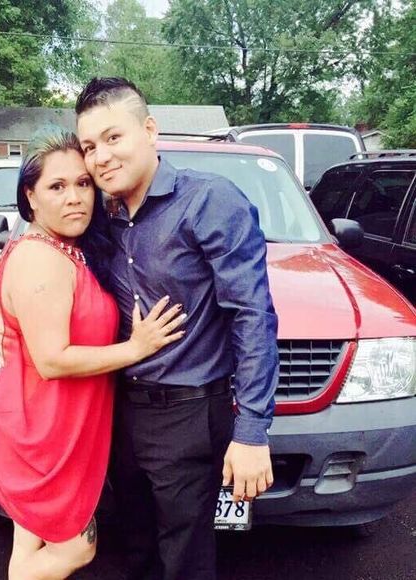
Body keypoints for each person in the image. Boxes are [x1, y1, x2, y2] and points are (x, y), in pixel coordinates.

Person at [75, 78, 280, 580]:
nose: (101, 156)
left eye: (113, 137)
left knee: (185, 558)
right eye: (89, 146)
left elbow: (252, 314)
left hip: (188, 414)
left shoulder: (209, 201)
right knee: (135, 545)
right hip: (120, 409)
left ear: (149, 130)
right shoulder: (102, 217)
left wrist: (252, 431)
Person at [0, 127, 186, 580]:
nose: (74, 198)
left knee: (28, 550)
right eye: (57, 186)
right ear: (30, 197)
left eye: (83, 183)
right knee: (75, 548)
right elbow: (52, 360)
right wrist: (135, 348)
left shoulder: (68, 249)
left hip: (59, 430)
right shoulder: (40, 259)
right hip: (41, 436)